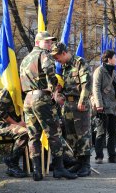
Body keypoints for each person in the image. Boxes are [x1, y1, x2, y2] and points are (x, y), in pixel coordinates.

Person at [20, 31, 77, 181]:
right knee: (54, 134)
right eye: (47, 42)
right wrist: (53, 89)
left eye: (51, 42)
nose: (50, 45)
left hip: (28, 99)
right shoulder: (44, 55)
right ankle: (59, 169)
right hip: (41, 98)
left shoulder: (25, 59)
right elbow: (49, 71)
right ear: (37, 43)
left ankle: (37, 172)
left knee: (34, 136)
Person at [50, 42, 92, 177]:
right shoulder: (64, 67)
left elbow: (87, 84)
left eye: (57, 57)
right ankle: (78, 163)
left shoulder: (80, 63)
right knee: (71, 135)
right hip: (67, 105)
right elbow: (65, 86)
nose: (57, 61)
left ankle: (86, 165)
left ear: (63, 53)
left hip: (80, 104)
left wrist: (82, 100)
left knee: (82, 134)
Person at [92, 49, 116, 164]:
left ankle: (112, 156)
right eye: (115, 58)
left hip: (113, 107)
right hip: (103, 106)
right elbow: (96, 88)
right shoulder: (99, 71)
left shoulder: (114, 72)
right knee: (101, 132)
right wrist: (99, 104)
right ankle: (99, 156)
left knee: (112, 132)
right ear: (109, 59)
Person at [0, 88, 28, 178]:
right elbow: (0, 113)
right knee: (23, 133)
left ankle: (32, 166)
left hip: (16, 125)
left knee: (35, 132)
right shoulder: (8, 90)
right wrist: (17, 124)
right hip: (1, 125)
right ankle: (12, 164)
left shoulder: (25, 91)